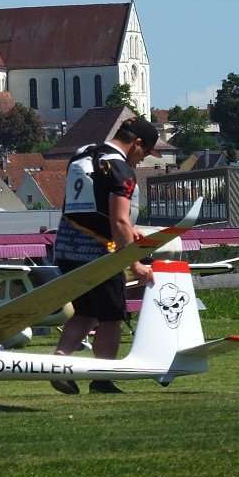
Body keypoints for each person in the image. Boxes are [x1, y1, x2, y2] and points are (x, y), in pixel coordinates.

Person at [49, 115, 160, 396]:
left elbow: (91, 205)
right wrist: (135, 264)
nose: (141, 160)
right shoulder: (121, 169)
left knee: (86, 312)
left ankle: (59, 363)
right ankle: (102, 378)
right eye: (144, 153)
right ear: (137, 143)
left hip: (66, 248)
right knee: (111, 316)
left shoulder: (83, 154)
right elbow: (119, 222)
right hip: (99, 252)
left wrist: (127, 228)